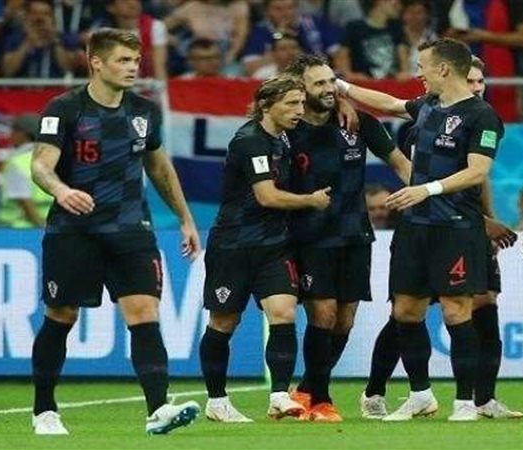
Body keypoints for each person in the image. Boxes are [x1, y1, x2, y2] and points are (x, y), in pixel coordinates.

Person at [29, 28, 202, 435]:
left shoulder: (144, 111)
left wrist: (185, 218)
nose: (132, 68)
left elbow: (158, 166)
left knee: (144, 312)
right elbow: (40, 165)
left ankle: (158, 410)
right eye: (123, 60)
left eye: (135, 60)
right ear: (97, 63)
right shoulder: (65, 108)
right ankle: (44, 410)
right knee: (61, 315)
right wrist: (62, 190)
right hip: (74, 230)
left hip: (131, 229)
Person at [337, 38, 504, 421]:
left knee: (456, 311)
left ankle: (465, 403)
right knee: (406, 311)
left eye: (423, 65)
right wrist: (341, 86)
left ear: (443, 69)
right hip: (414, 227)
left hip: (455, 227)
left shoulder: (482, 116)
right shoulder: (428, 105)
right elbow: (390, 104)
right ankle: (420, 395)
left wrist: (426, 189)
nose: (418, 72)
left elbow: (477, 171)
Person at [281, 54, 411, 422]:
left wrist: (430, 193)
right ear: (300, 89)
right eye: (319, 83)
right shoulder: (287, 130)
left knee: (344, 321)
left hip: (355, 233)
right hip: (309, 235)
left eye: (331, 81)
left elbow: (402, 165)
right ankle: (321, 400)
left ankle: (306, 390)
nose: (329, 89)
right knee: (322, 313)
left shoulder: (359, 122)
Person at [199, 75, 332, 423]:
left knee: (284, 312)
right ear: (265, 106)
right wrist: (311, 200)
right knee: (223, 321)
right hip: (233, 244)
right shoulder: (250, 141)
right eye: (291, 103)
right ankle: (216, 401)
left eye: (301, 103)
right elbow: (267, 196)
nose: (299, 110)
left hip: (274, 245)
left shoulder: (283, 138)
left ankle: (278, 395)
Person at [0, 113, 52, 228]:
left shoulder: (17, 162)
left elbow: (23, 201)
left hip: (21, 229)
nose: (10, 135)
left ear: (23, 134)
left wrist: (42, 227)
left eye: (13, 131)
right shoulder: (54, 157)